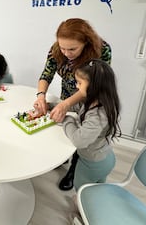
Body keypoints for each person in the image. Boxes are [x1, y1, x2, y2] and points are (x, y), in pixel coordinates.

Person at [33, 18, 111, 191]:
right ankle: (62, 158)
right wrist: (40, 96)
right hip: (67, 95)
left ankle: (74, 170)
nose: (66, 53)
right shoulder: (56, 50)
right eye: (63, 48)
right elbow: (46, 75)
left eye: (72, 49)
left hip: (89, 98)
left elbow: (97, 83)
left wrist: (66, 106)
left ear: (86, 42)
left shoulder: (102, 50)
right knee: (64, 129)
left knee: (80, 134)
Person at [60, 59, 121, 220]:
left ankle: (83, 215)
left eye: (80, 83)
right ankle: (96, 209)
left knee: (82, 191)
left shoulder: (98, 113)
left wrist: (65, 120)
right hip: (104, 157)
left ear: (94, 86)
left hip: (91, 163)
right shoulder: (96, 101)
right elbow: (77, 109)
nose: (77, 87)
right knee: (97, 190)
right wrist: (59, 107)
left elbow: (79, 140)